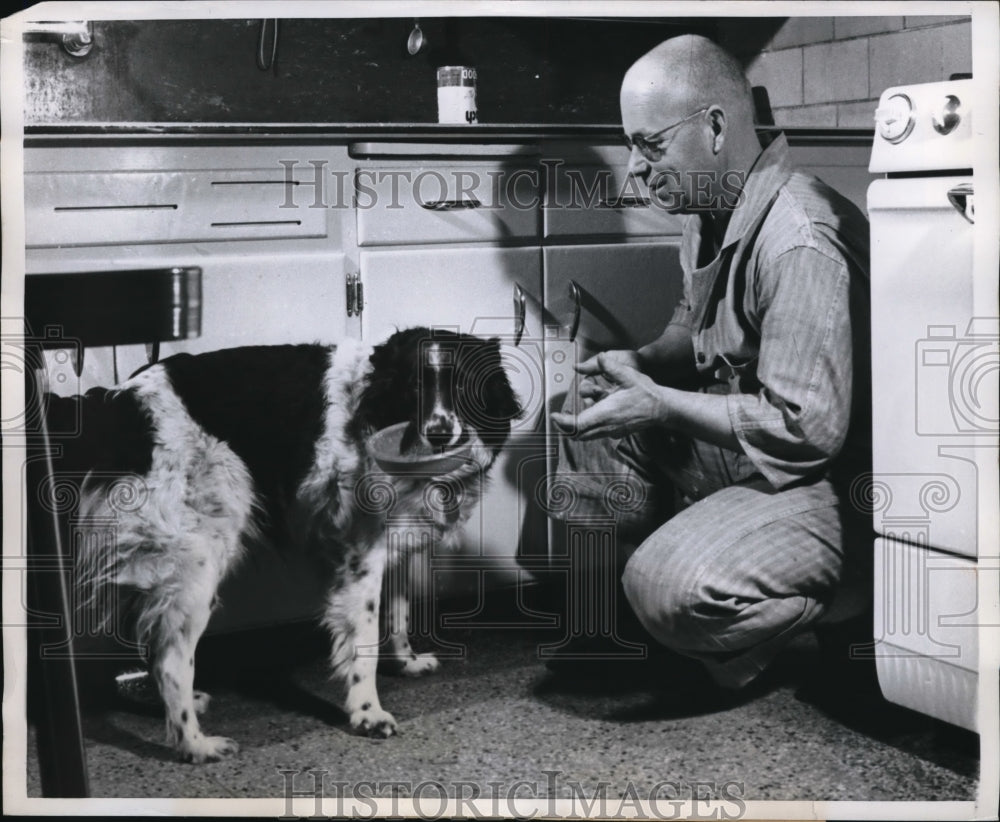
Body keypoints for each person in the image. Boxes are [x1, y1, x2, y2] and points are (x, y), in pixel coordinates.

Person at [548, 34, 872, 694]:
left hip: (837, 486)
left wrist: (661, 405)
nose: (635, 170)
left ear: (716, 128)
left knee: (668, 587)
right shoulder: (710, 208)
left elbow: (804, 430)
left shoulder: (800, 240)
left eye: (650, 145)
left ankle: (852, 608)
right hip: (760, 453)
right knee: (590, 402)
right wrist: (641, 362)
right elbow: (691, 325)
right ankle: (633, 625)